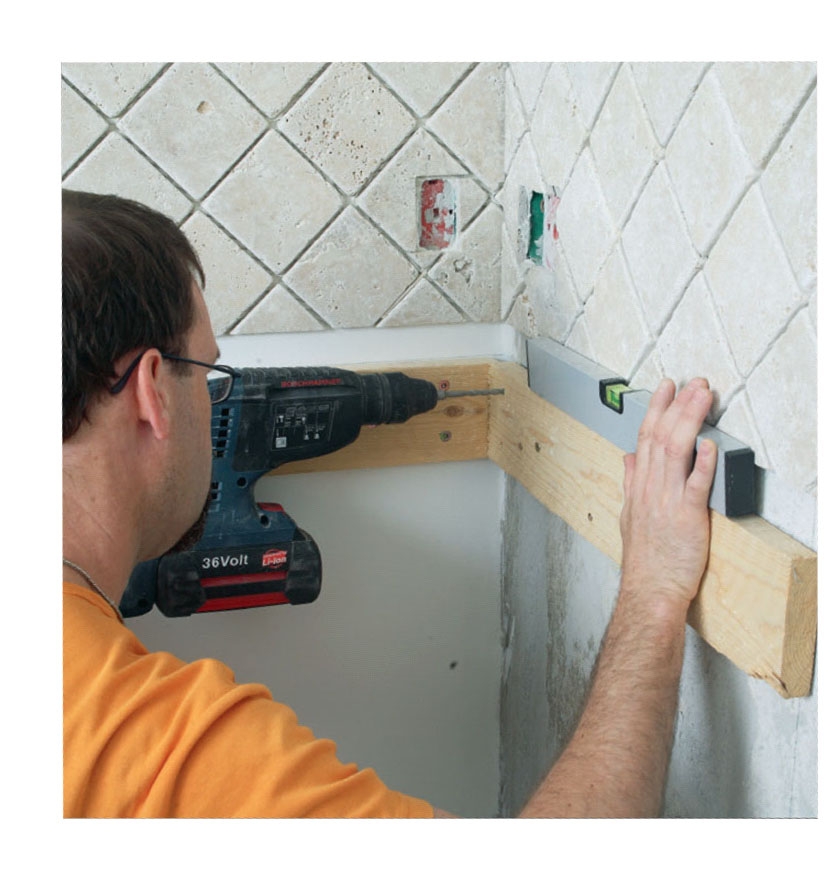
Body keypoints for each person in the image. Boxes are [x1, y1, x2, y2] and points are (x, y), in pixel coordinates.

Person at [62, 189, 718, 818]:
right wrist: (652, 591)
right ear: (152, 392)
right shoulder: (162, 750)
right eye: (209, 374)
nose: (216, 402)